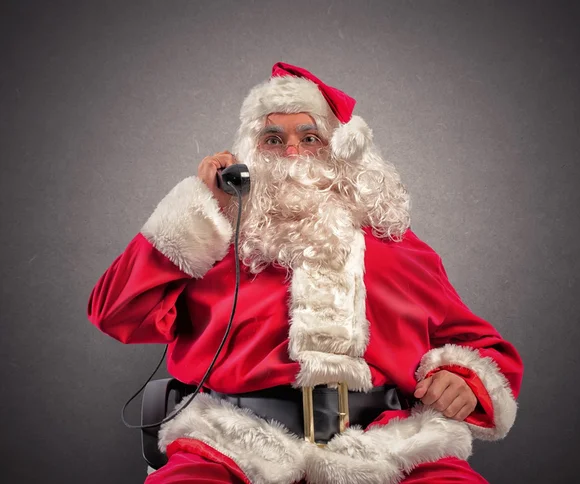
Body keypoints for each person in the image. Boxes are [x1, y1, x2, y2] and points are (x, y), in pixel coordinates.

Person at [87, 62, 523, 484]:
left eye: (309, 137)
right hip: (232, 446)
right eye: (273, 140)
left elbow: (483, 347)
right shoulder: (212, 243)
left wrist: (464, 379)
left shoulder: (399, 251)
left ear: (341, 155)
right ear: (247, 158)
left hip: (391, 447)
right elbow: (114, 312)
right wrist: (198, 210)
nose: (292, 152)